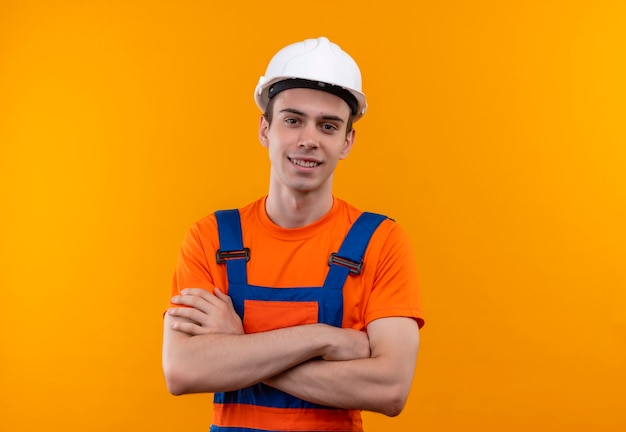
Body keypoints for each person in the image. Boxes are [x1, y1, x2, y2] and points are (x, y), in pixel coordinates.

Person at [162, 36, 424, 432]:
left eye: (328, 125)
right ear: (265, 129)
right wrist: (322, 338)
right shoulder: (210, 238)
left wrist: (239, 343)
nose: (309, 139)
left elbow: (389, 389)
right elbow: (182, 370)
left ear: (347, 141)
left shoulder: (381, 242)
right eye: (292, 119)